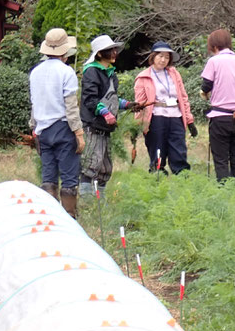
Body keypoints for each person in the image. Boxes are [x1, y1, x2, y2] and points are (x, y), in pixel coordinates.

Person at [29, 28, 84, 217]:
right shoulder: (66, 72)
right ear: (65, 52)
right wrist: (79, 133)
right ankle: (69, 218)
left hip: (42, 129)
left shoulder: (35, 72)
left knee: (48, 178)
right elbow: (71, 107)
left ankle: (49, 218)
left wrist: (33, 129)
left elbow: (34, 104)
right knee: (69, 178)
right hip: (63, 128)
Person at [79, 35, 141, 203]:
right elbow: (90, 100)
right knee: (90, 164)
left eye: (115, 49)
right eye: (110, 50)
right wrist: (106, 113)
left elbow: (110, 98)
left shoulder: (110, 73)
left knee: (105, 167)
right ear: (99, 54)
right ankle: (86, 202)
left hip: (105, 128)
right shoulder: (91, 72)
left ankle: (100, 202)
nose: (114, 52)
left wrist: (127, 104)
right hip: (93, 126)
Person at [201, 29, 235, 181]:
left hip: (220, 118)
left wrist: (205, 96)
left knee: (221, 161)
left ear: (214, 46)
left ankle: (225, 196)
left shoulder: (214, 61)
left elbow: (205, 87)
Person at [134, 42, 197, 174]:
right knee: (157, 152)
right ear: (153, 56)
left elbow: (183, 97)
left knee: (179, 151)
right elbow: (139, 103)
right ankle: (157, 180)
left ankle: (182, 181)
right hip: (156, 116)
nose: (163, 60)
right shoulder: (143, 77)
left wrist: (190, 120)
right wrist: (137, 125)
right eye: (160, 56)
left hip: (175, 116)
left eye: (167, 57)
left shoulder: (174, 73)